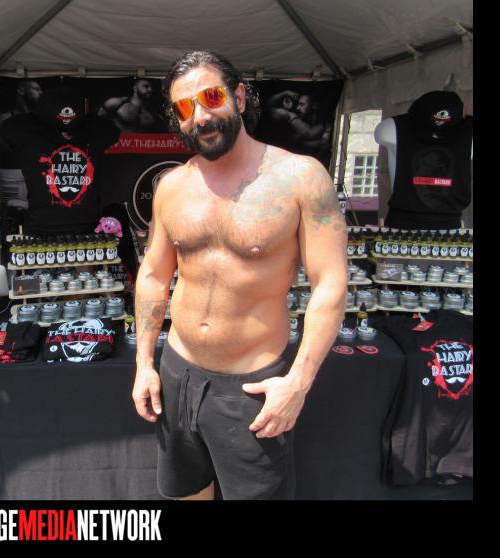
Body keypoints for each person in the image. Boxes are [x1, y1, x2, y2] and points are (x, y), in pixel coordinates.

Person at [132, 50, 347, 500]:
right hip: (176, 373)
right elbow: (152, 275)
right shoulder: (171, 186)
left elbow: (330, 284)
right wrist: (144, 364)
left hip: (250, 386)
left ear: (241, 97)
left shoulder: (301, 178)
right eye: (185, 108)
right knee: (186, 493)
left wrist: (299, 382)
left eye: (212, 97)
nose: (201, 116)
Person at [98, 78, 164, 132]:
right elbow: (97, 121)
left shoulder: (153, 113)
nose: (150, 90)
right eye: (146, 86)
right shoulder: (116, 102)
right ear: (135, 88)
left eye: (151, 87)